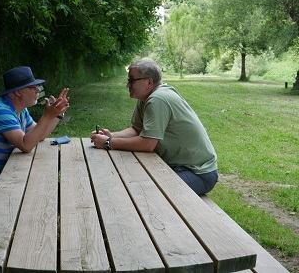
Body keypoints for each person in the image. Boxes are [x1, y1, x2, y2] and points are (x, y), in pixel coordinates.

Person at [90, 58, 218, 195]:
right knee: (131, 179)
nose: (128, 85)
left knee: (145, 191)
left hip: (198, 173)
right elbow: (137, 130)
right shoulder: (146, 98)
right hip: (178, 167)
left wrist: (108, 143)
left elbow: (147, 143)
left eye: (132, 80)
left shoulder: (158, 99)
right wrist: (112, 135)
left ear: (149, 82)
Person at [0, 66, 69, 193]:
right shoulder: (1, 111)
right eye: (32, 87)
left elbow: (39, 135)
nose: (37, 90)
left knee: (45, 180)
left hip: (2, 171)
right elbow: (26, 145)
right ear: (18, 92)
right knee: (42, 185)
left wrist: (56, 114)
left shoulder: (19, 109)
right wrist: (48, 116)